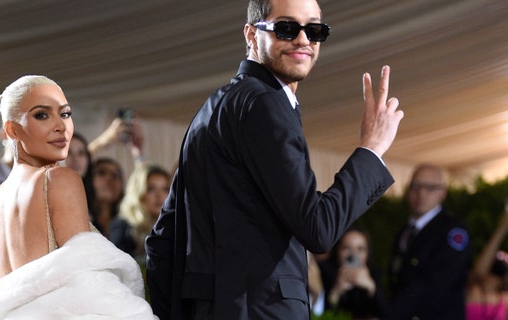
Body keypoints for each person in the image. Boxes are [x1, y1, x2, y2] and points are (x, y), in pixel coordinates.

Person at [144, 0, 404, 318]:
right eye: (286, 28)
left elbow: (161, 242)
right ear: (251, 35)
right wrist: (371, 149)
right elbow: (317, 228)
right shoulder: (265, 105)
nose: (303, 39)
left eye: (315, 29)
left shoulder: (214, 106)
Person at [0, 75, 156, 319]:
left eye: (64, 114)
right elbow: (91, 290)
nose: (60, 126)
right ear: (11, 129)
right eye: (42, 115)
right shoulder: (58, 180)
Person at [387, 163, 471, 320]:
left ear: (442, 192)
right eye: (416, 186)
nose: (421, 194)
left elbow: (435, 283)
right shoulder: (405, 231)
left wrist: (389, 313)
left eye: (430, 188)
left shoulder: (452, 231)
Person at [322, 227, 389, 319]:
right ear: (337, 251)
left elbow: (390, 314)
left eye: (360, 249)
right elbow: (317, 314)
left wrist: (371, 287)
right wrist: (336, 291)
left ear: (367, 253)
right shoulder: (325, 273)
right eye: (346, 248)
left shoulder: (376, 275)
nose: (353, 254)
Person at [110, 163, 171, 260]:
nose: (159, 195)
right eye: (151, 189)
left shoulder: (172, 226)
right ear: (138, 192)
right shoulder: (122, 225)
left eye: (165, 189)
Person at [466, 206, 508, 320]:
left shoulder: (470, 291)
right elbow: (478, 273)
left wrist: (502, 228)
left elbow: (478, 273)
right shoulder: (471, 290)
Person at [89, 157, 125, 237]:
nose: (110, 179)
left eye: (116, 175)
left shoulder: (129, 225)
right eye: (101, 173)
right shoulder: (81, 221)